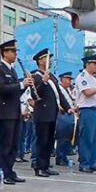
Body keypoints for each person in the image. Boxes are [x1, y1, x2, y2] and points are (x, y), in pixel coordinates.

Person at [0, 39, 30, 184]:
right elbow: (2, 90)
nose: (15, 54)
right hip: (4, 113)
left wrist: (25, 86)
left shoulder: (13, 70)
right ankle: (3, 172)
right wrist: (21, 84)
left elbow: (15, 94)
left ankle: (10, 170)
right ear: (5, 52)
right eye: (13, 51)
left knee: (14, 144)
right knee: (5, 144)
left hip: (14, 112)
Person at [31, 48, 72, 177]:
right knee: (42, 141)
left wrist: (67, 107)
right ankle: (39, 167)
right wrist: (43, 81)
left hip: (52, 113)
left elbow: (58, 94)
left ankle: (46, 165)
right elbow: (35, 93)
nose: (50, 61)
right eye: (47, 59)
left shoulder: (51, 76)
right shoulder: (36, 76)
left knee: (49, 141)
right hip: (42, 114)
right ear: (40, 60)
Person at [75, 54, 96, 172]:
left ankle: (92, 162)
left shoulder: (93, 78)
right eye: (94, 64)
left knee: (95, 138)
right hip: (87, 110)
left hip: (95, 110)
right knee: (87, 138)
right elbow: (88, 92)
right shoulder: (82, 77)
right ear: (87, 64)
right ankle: (84, 163)